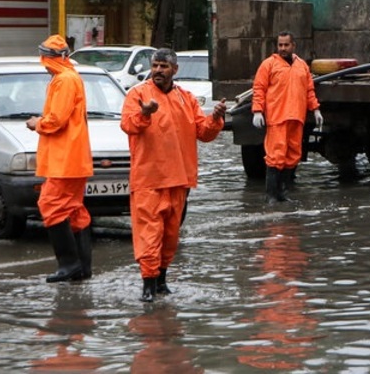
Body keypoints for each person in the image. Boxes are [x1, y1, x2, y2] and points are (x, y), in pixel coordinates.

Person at [121, 48, 226, 302]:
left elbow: (204, 132)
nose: (158, 70)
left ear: (174, 70)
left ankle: (161, 282)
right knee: (149, 235)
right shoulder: (137, 94)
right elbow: (127, 124)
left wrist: (216, 118)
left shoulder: (186, 98)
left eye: (163, 66)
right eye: (155, 66)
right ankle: (147, 285)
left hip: (179, 179)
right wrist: (145, 113)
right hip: (148, 179)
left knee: (170, 236)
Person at [26, 35, 94, 283]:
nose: (43, 65)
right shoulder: (70, 78)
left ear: (48, 58)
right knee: (74, 211)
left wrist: (36, 123)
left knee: (50, 205)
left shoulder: (63, 81)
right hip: (73, 160)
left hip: (65, 161)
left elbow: (56, 120)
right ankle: (82, 268)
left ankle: (69, 265)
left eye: (44, 60)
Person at [251, 32, 321, 203]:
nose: (282, 48)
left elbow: (309, 91)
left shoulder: (302, 66)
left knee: (292, 156)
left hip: (297, 118)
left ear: (293, 45)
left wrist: (316, 110)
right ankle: (271, 196)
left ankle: (282, 193)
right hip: (277, 118)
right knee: (275, 157)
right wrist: (258, 111)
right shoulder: (269, 64)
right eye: (280, 45)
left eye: (286, 45)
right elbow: (259, 89)